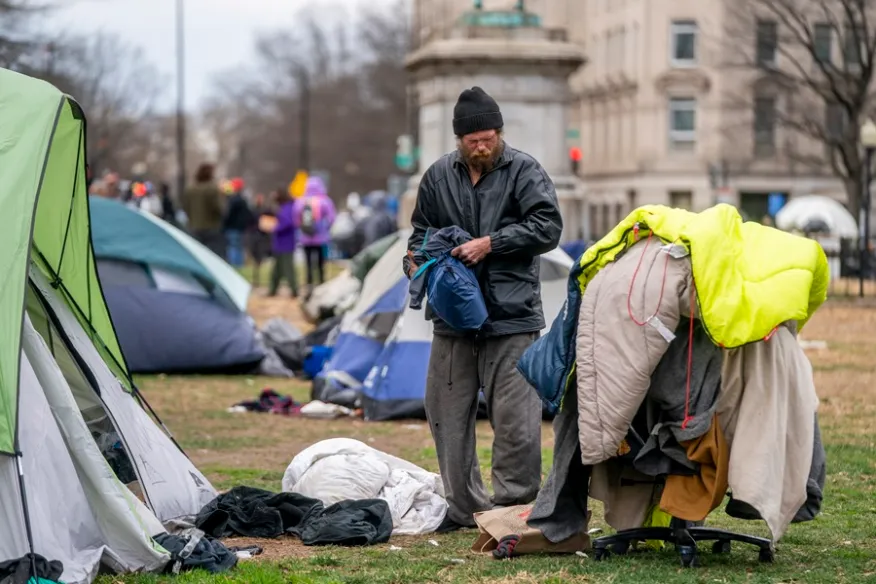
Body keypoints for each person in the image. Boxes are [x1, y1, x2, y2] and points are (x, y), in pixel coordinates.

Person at [402, 86, 563, 532]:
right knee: (446, 413)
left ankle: (513, 507)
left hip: (511, 317)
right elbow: (419, 232)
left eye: (489, 136)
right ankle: (466, 508)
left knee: (515, 422)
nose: (482, 144)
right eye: (473, 139)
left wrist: (492, 243)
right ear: (459, 140)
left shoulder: (524, 170)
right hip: (453, 320)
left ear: (499, 132)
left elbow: (548, 227)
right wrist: (415, 261)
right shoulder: (437, 176)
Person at [293, 176, 336, 290]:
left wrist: (302, 229)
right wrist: (324, 229)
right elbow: (331, 218)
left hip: (305, 237)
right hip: (321, 238)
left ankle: (309, 283)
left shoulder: (300, 201)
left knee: (308, 262)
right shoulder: (324, 201)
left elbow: (296, 219)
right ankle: (321, 282)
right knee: (320, 262)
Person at [182, 163, 225, 256]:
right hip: (211, 226)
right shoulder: (212, 189)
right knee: (213, 255)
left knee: (197, 254)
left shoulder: (190, 189)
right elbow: (217, 208)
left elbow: (185, 207)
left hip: (194, 226)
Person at [269, 189, 299, 297]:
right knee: (277, 268)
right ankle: (272, 289)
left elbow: (287, 223)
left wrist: (275, 227)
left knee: (287, 267)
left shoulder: (288, 208)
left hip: (286, 242)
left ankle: (294, 289)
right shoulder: (284, 207)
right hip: (280, 242)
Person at [222, 177, 253, 268]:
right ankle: (240, 265)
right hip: (241, 228)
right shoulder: (244, 200)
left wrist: (224, 225)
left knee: (232, 247)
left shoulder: (233, 201)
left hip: (232, 227)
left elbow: (229, 215)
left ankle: (234, 265)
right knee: (239, 247)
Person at [248, 192, 274, 288]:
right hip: (255, 235)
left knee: (260, 258)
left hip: (262, 237)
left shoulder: (266, 210)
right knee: (255, 258)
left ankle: (258, 279)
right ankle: (256, 279)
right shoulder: (253, 210)